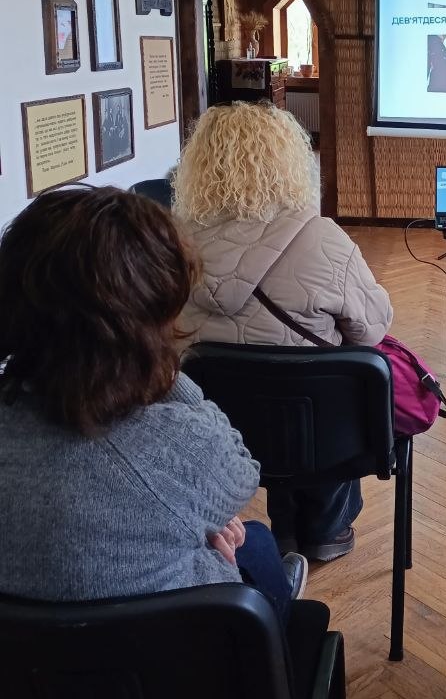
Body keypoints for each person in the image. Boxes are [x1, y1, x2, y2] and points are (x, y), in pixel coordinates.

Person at [0, 186, 307, 622]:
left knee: (247, 537)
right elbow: (243, 470)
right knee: (251, 542)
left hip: (23, 661)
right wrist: (164, 368)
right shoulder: (179, 445)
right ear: (149, 320)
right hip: (168, 656)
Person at [174, 102, 393, 562]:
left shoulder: (172, 243)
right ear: (289, 162)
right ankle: (325, 529)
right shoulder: (322, 237)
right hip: (320, 432)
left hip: (216, 429)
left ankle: (285, 529)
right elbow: (372, 328)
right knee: (325, 386)